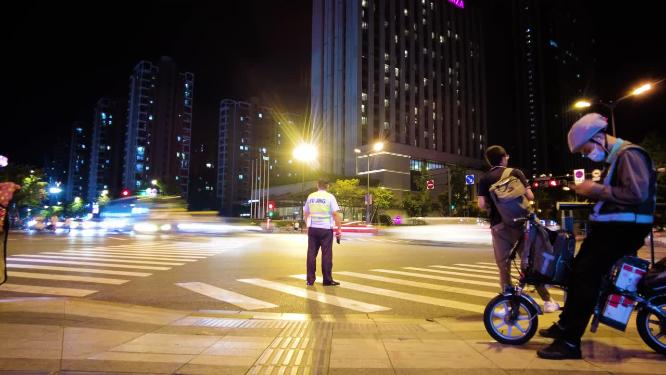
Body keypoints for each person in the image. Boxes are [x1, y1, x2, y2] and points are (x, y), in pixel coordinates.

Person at [537, 113, 656, 360]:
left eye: (585, 149)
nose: (585, 154)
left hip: (624, 230)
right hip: (611, 228)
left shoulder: (630, 155)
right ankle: (565, 326)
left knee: (585, 277)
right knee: (576, 271)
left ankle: (570, 342)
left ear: (599, 137)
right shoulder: (616, 160)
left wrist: (595, 189)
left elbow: (636, 193)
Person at [478, 145, 560, 313]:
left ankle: (509, 306)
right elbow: (530, 196)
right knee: (529, 264)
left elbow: (482, 204)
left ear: (489, 161)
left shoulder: (485, 179)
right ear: (504, 158)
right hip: (521, 225)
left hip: (499, 226)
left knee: (504, 266)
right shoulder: (515, 173)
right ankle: (548, 301)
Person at [303, 178, 342, 286]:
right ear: (328, 186)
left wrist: (308, 226)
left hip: (313, 229)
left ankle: (310, 280)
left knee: (311, 254)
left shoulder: (311, 196)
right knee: (326, 255)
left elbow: (306, 213)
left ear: (317, 185)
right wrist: (339, 229)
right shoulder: (330, 197)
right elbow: (335, 214)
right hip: (326, 230)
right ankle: (327, 280)